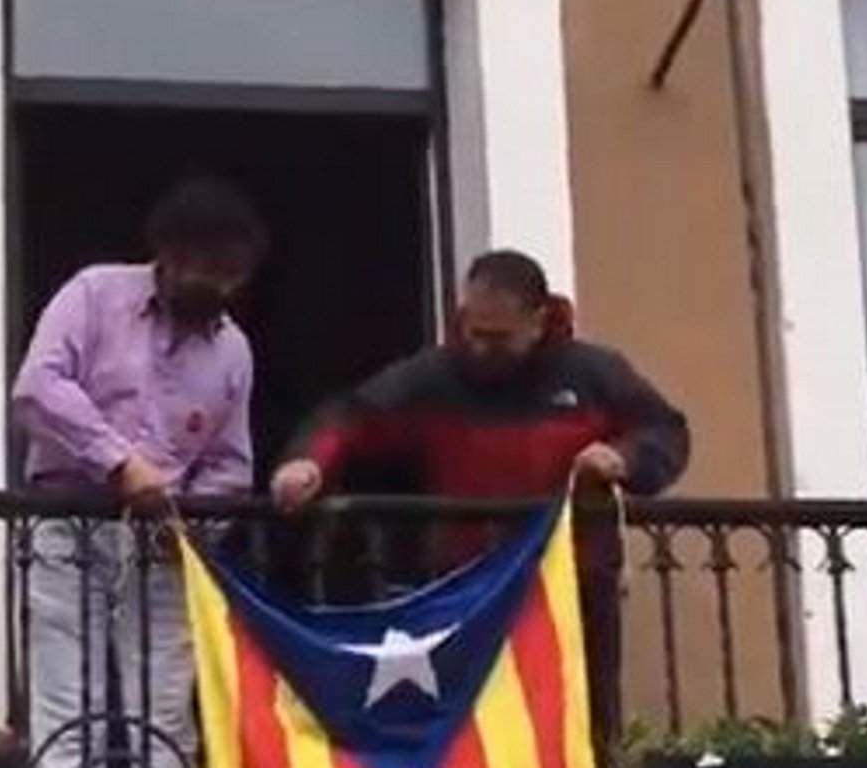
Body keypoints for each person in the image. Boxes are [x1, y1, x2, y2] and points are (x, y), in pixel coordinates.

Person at [269, 248, 689, 736]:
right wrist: (308, 463)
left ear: (538, 320)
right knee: (475, 734)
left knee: (580, 725)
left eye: (498, 337)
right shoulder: (432, 378)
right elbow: (350, 418)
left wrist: (624, 459)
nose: (481, 348)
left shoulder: (594, 374)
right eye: (473, 331)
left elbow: (664, 432)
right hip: (465, 590)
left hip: (571, 585)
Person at [11, 177, 266, 768]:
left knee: (165, 712)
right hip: (70, 524)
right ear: (167, 254)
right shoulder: (94, 296)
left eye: (231, 274)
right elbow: (39, 388)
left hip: (162, 549)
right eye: (206, 269)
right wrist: (122, 465)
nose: (217, 286)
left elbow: (231, 462)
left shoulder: (233, 352)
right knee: (69, 705)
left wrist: (193, 517)